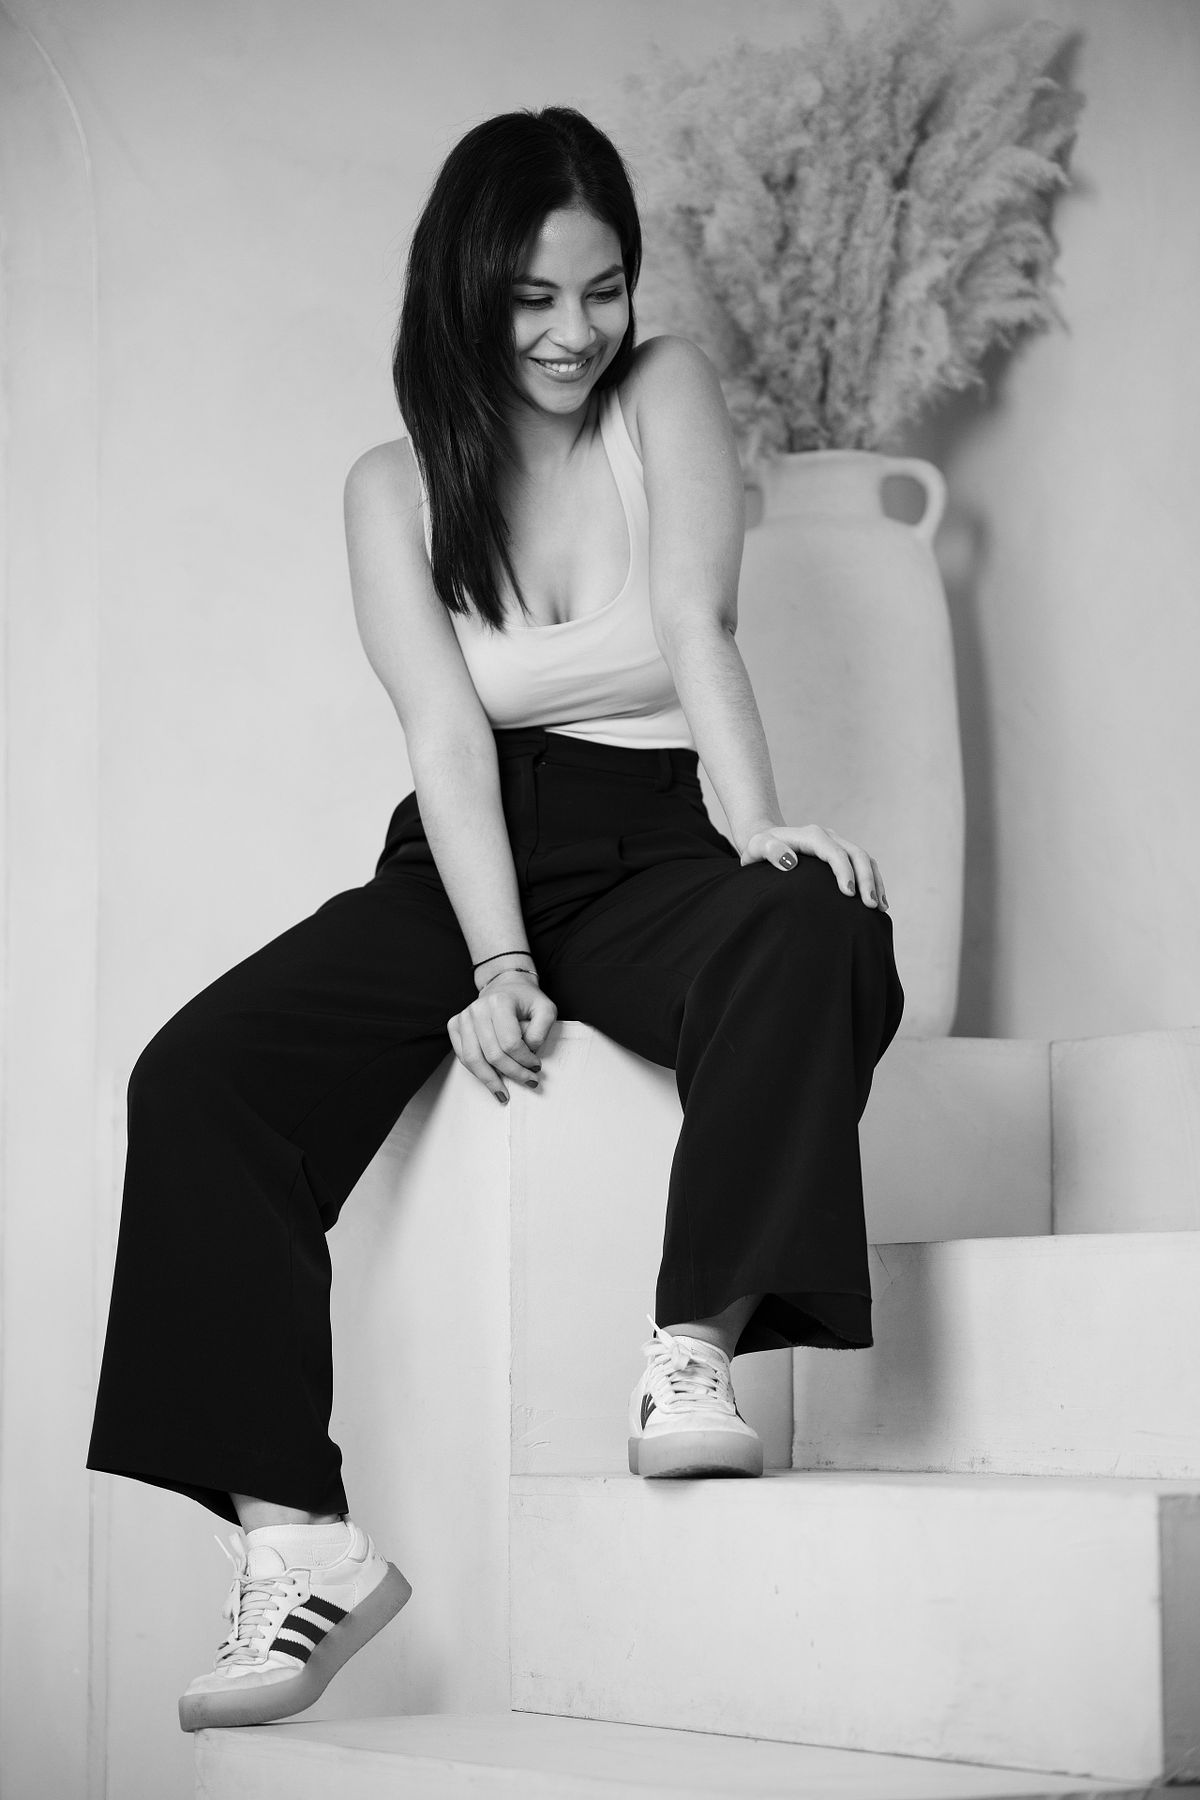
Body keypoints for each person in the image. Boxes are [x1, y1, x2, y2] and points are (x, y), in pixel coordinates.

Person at [86, 104, 904, 1735]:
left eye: (601, 289)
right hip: (465, 855)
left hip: (657, 829)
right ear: (464, 290)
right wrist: (498, 960)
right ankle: (297, 1545)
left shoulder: (663, 393)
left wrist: (757, 830)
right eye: (533, 297)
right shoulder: (391, 487)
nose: (572, 331)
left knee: (820, 923)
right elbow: (449, 743)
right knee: (199, 1079)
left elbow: (697, 619)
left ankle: (691, 1348)